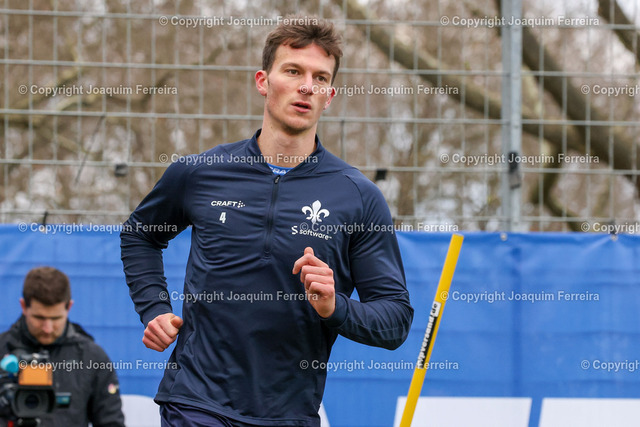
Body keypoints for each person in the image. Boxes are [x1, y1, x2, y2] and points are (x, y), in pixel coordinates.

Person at [120, 15, 413, 427]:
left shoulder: (359, 197)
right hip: (196, 402)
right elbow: (140, 235)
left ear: (329, 96)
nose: (306, 86)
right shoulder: (201, 172)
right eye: (293, 71)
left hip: (289, 414)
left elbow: (395, 320)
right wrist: (154, 307)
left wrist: (335, 307)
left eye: (320, 77)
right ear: (263, 81)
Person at [0, 266, 125, 427]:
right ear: (24, 306)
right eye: (39, 318)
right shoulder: (2, 348)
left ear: (69, 307)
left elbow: (111, 422)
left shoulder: (92, 357)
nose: (47, 328)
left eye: (56, 318)